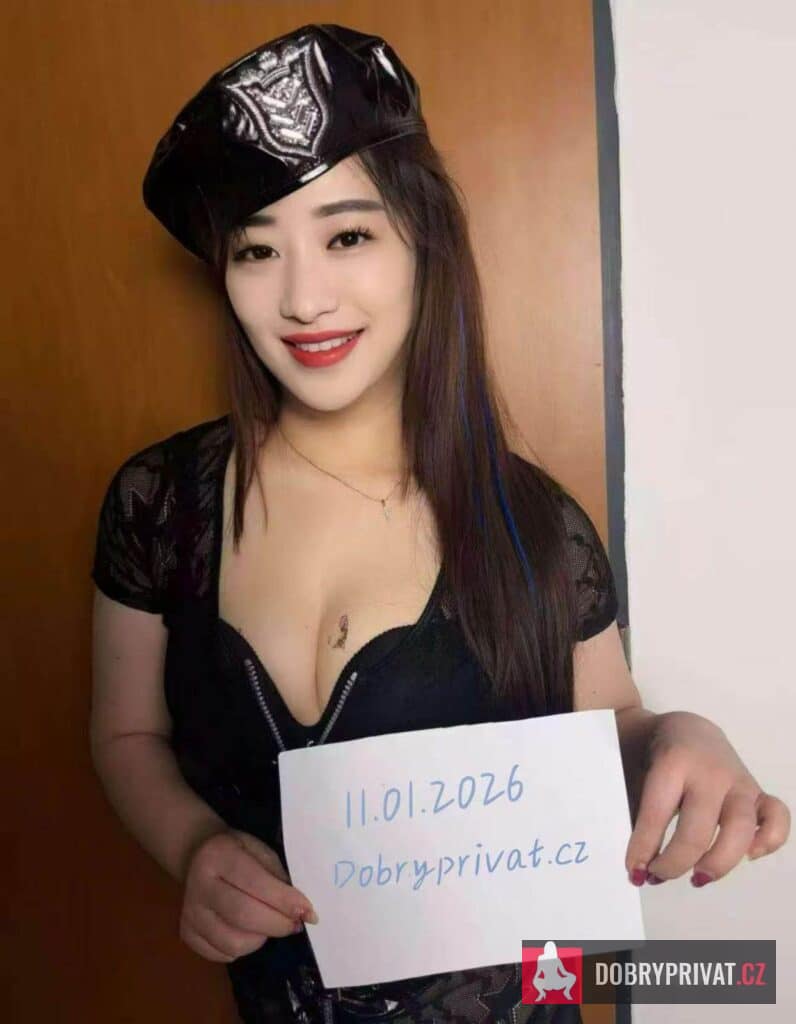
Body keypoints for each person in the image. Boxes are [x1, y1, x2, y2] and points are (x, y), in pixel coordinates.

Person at [89, 23, 789, 1024]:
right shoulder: (160, 503)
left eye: (347, 235)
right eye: (256, 249)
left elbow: (614, 728)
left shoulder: (536, 525)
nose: (303, 298)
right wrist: (192, 845)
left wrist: (684, 735)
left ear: (423, 239)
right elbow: (125, 731)